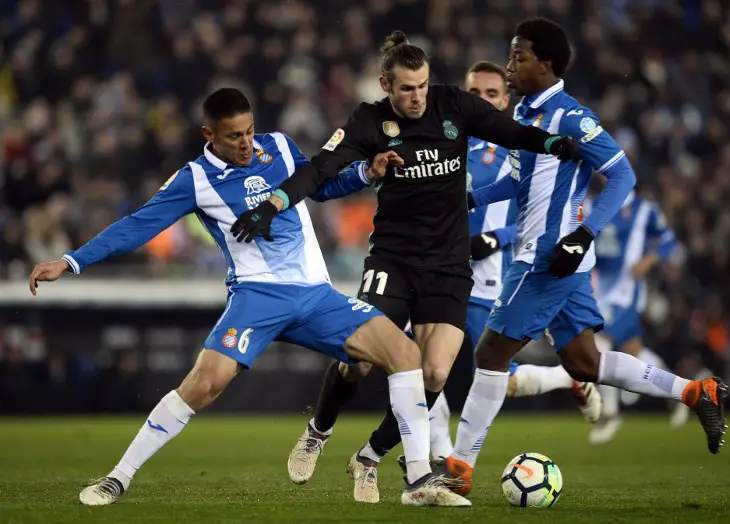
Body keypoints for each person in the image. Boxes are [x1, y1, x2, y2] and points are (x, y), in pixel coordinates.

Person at [28, 88, 471, 508]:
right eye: (234, 136)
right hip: (257, 297)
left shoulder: (277, 146)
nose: (246, 143)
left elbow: (317, 186)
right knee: (203, 386)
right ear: (209, 136)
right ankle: (118, 476)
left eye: (249, 131)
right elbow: (138, 225)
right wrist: (72, 261)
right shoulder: (195, 180)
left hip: (316, 295)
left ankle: (416, 480)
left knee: (405, 353)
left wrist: (362, 173)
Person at [230, 30, 581, 504]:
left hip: (449, 263)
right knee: (361, 359)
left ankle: (371, 456)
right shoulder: (369, 120)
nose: (416, 97)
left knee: (435, 374)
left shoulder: (453, 106)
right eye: (406, 88)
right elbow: (320, 170)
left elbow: (510, 131)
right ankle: (318, 430)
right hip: (393, 260)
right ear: (385, 85)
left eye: (422, 86)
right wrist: (271, 205)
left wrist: (553, 141)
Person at [439, 18, 728, 496]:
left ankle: (459, 470)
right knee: (584, 364)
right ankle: (696, 392)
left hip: (546, 257)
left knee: (489, 353)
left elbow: (622, 176)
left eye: (519, 57)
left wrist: (585, 234)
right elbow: (518, 181)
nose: (511, 64)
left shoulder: (571, 117)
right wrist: (471, 199)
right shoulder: (527, 114)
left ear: (546, 65)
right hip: (556, 259)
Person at [428, 60, 602, 460]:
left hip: (488, 278)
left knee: (492, 376)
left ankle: (568, 379)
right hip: (438, 271)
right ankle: (437, 455)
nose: (483, 101)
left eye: (492, 94)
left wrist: (494, 237)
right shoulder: (442, 142)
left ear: (505, 101)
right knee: (414, 362)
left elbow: (531, 216)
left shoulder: (516, 146)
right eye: (475, 94)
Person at [588, 189, 690, 444]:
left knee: (600, 343)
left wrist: (649, 259)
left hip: (627, 293)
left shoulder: (646, 210)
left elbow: (669, 241)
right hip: (599, 290)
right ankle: (683, 391)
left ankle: (610, 415)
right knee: (632, 350)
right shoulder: (592, 205)